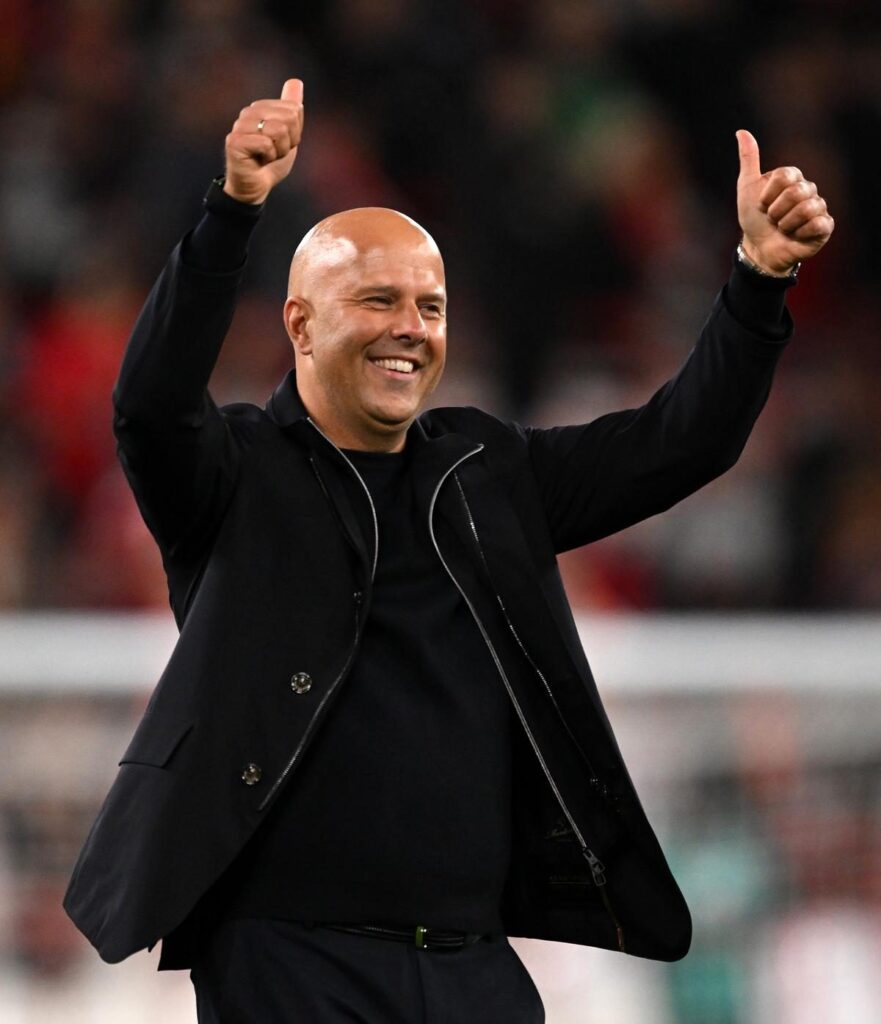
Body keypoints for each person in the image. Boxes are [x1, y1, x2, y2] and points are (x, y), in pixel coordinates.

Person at [64, 78, 833, 1022]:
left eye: (429, 306)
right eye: (377, 300)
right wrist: (233, 212)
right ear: (299, 324)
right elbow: (147, 402)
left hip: (473, 967)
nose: (410, 330)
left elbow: (681, 441)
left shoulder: (486, 470)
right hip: (289, 966)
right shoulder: (233, 475)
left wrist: (758, 280)